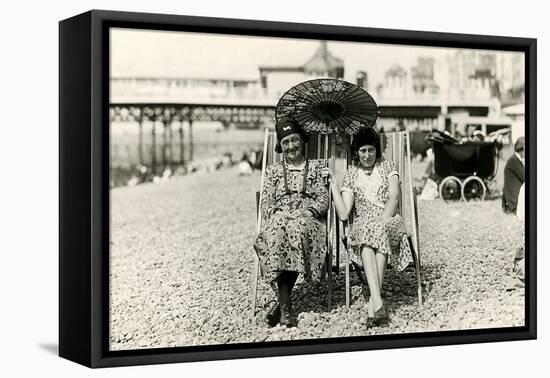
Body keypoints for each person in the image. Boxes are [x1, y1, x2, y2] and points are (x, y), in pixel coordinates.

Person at [322, 127, 413, 326]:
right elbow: (344, 213)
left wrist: (381, 219)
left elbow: (394, 197)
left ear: (376, 150)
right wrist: (333, 186)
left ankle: (374, 303)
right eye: (362, 151)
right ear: (356, 152)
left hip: (389, 219)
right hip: (364, 224)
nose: (367, 155)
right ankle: (376, 306)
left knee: (376, 230)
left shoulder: (388, 167)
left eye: (370, 150)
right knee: (366, 237)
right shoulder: (351, 176)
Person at [253, 118, 328, 327]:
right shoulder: (273, 171)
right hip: (280, 217)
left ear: (302, 141)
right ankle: (285, 306)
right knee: (276, 232)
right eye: (285, 143)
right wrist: (278, 213)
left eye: (294, 140)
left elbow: (323, 199)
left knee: (297, 229)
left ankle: (283, 307)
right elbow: (266, 201)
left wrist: (308, 212)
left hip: (307, 219)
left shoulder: (315, 168)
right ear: (280, 146)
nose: (291, 146)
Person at [502, 136, 525, 214]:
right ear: (523, 149)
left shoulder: (514, 159)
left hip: (513, 198)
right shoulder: (514, 161)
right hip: (514, 201)